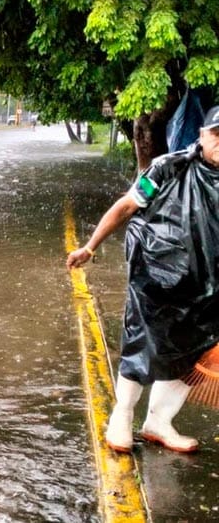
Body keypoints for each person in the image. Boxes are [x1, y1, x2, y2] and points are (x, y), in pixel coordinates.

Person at [66, 105, 219, 454]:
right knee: (142, 346)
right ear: (202, 134)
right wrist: (90, 247)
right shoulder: (169, 168)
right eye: (217, 134)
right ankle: (121, 416)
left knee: (192, 355)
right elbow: (126, 206)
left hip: (208, 290)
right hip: (156, 280)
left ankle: (158, 422)